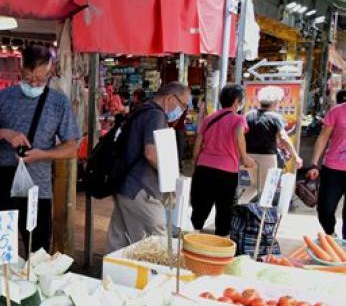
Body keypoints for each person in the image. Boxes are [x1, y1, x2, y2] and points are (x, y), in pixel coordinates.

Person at [0, 44, 79, 253]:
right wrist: (5, 133)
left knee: (37, 254)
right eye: (28, 78)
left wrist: (44, 155)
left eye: (40, 79)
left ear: (50, 72)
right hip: (3, 185)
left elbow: (71, 147)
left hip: (38, 190)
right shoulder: (3, 98)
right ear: (20, 71)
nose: (33, 83)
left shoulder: (59, 103)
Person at [107, 82, 190, 252]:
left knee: (119, 242)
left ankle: (111, 277)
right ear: (170, 98)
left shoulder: (141, 109)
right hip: (141, 190)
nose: (182, 111)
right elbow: (151, 154)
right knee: (156, 243)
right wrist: (171, 176)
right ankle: (151, 278)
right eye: (183, 105)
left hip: (125, 186)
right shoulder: (156, 115)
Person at [190, 84, 256, 236]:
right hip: (226, 171)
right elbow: (239, 135)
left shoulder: (209, 119)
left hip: (203, 168)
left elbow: (198, 144)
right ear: (236, 101)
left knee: (199, 209)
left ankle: (190, 241)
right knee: (224, 210)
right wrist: (245, 158)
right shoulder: (238, 119)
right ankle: (220, 246)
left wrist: (197, 163)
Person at [240, 86, 303, 203]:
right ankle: (264, 216)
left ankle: (238, 208)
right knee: (268, 188)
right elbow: (284, 137)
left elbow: (240, 135)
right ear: (275, 102)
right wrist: (296, 156)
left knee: (255, 185)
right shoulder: (275, 117)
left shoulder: (248, 115)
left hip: (247, 156)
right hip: (267, 157)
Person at [307, 89, 346, 236]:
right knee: (325, 209)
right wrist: (314, 164)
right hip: (333, 168)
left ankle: (343, 247)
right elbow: (323, 137)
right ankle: (330, 234)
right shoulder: (336, 111)